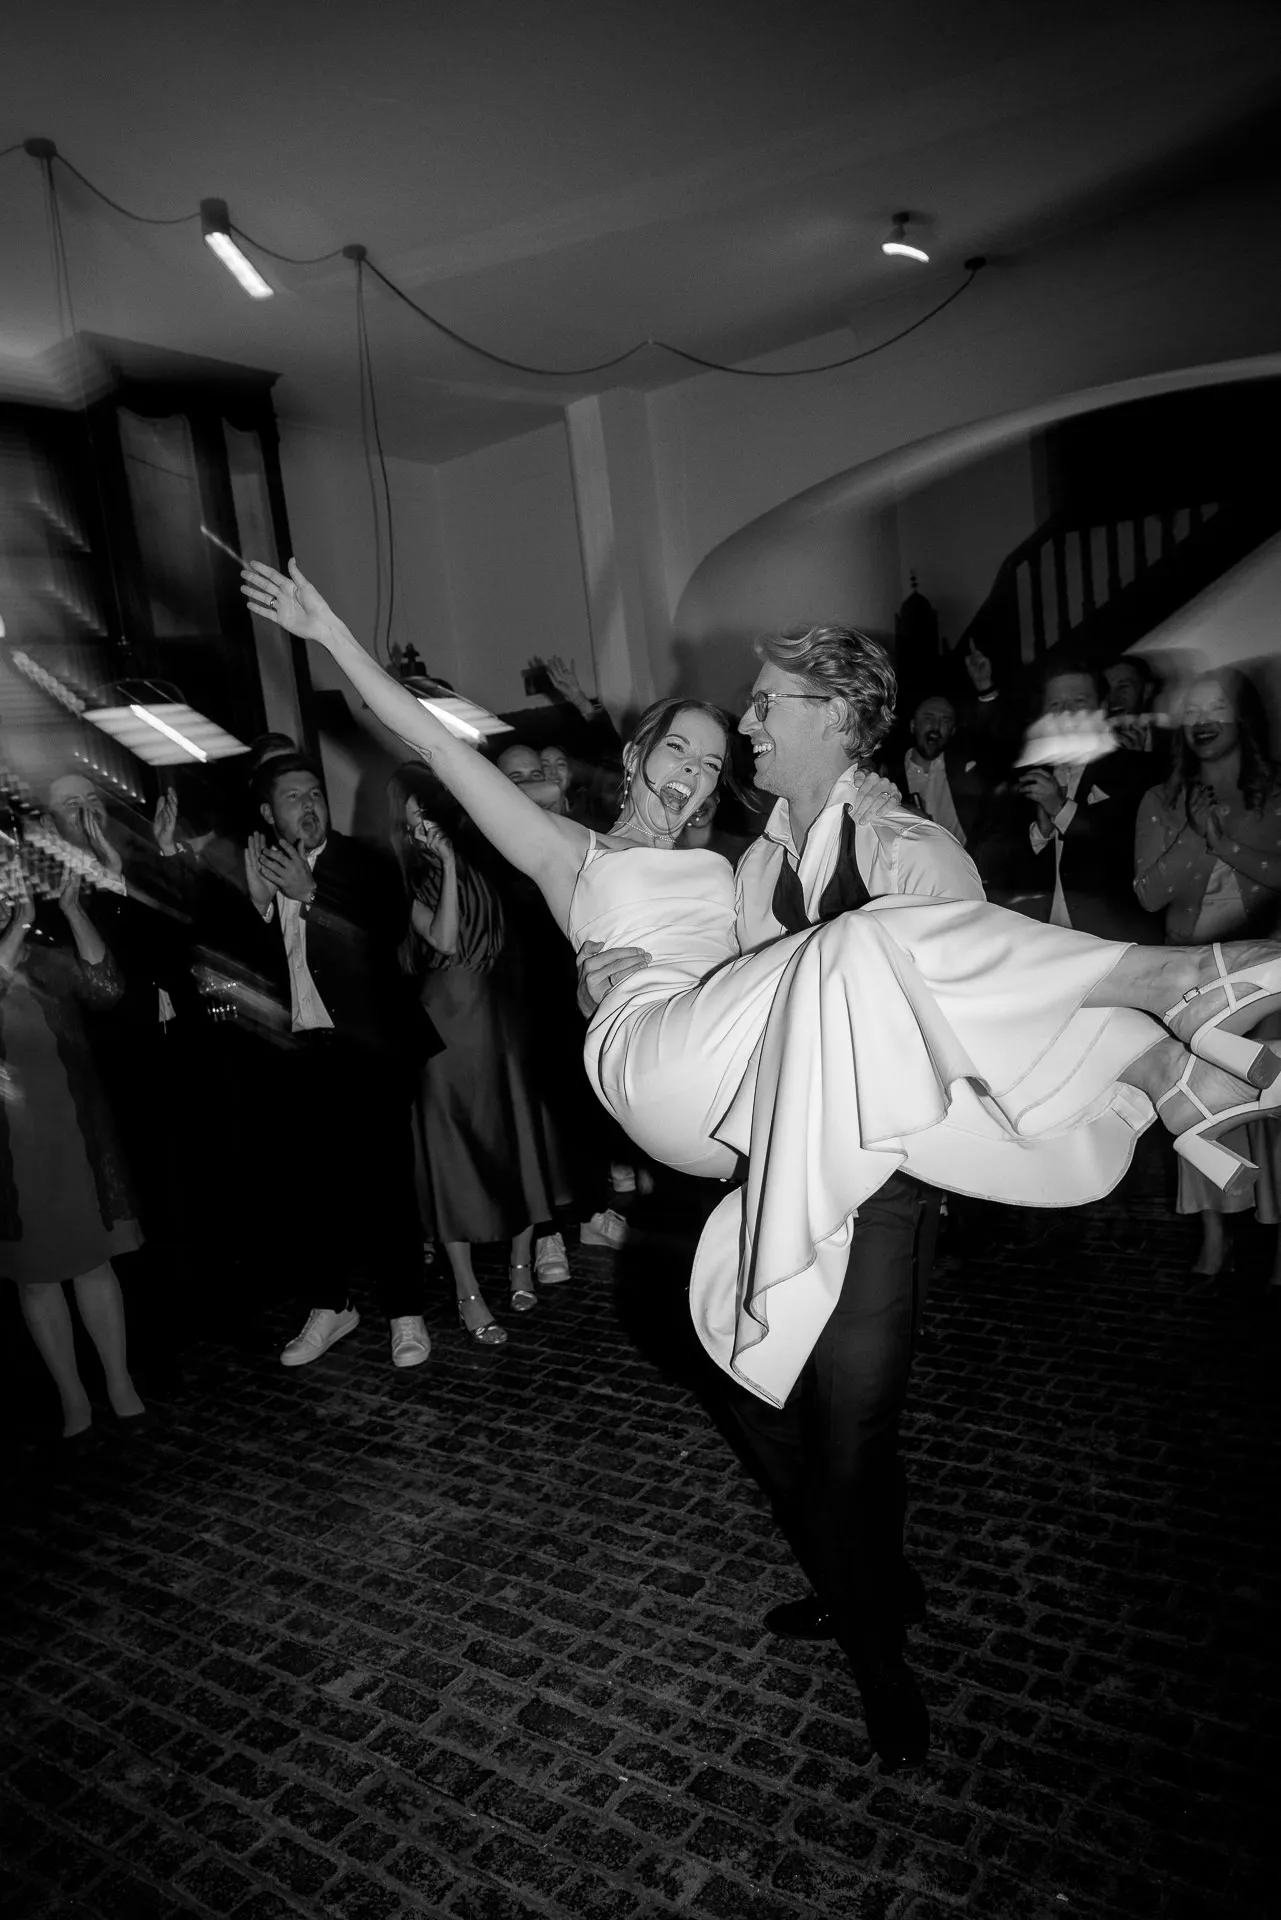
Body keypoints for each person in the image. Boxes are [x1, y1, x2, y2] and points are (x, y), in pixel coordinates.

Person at [242, 560, 1281, 1763]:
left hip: (760, 1101)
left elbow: (891, 990)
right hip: (656, 1057)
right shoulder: (571, 856)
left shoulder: (758, 863)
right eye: (676, 747)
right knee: (861, 954)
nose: (703, 760)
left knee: (817, 1380)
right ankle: (1168, 1011)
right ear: (628, 760)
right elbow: (435, 743)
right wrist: (330, 637)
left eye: (716, 746)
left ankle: (1167, 1075)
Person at [243, 752, 437, 1370]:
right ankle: (331, 1306)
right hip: (300, 1054)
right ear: (268, 812)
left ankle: (405, 1312)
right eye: (293, 796)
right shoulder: (258, 869)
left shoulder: (366, 863)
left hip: (369, 1051)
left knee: (385, 1186)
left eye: (315, 793)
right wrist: (258, 907)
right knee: (312, 1188)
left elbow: (382, 939)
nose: (308, 805)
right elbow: (236, 969)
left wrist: (311, 895)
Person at [391, 763, 561, 1338]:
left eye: (429, 816)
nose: (423, 830)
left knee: (515, 1138)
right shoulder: (406, 883)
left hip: (497, 1021)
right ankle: (466, 1291)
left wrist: (462, 817)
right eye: (413, 820)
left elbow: (549, 792)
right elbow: (444, 939)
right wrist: (447, 867)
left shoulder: (488, 854)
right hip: (442, 1029)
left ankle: (520, 1262)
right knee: (449, 1154)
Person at [1135, 669, 1281, 1280]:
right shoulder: (1160, 801)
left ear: (1240, 717)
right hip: (1192, 978)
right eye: (1191, 709)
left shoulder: (1274, 794)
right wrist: (1197, 835)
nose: (1201, 719)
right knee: (1198, 1107)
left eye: (1215, 707)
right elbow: (1147, 895)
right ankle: (1214, 1233)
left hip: (1266, 973)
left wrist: (1226, 844)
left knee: (1271, 1108)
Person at [0, 860, 146, 1441]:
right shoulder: (12, 949)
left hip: (72, 1131)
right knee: (35, 1277)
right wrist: (15, 929)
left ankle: (119, 1384)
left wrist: (73, 910)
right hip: (9, 1150)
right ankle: (72, 1399)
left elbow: (107, 988)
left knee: (92, 1260)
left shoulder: (40, 959)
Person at [1014, 659, 1160, 942]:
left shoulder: (1138, 769)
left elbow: (1127, 852)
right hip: (1042, 942)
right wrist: (1040, 833)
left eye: (1078, 702)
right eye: (1055, 705)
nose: (1066, 714)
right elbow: (1002, 871)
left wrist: (1060, 809)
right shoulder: (1025, 775)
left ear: (1102, 707)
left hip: (1113, 942)